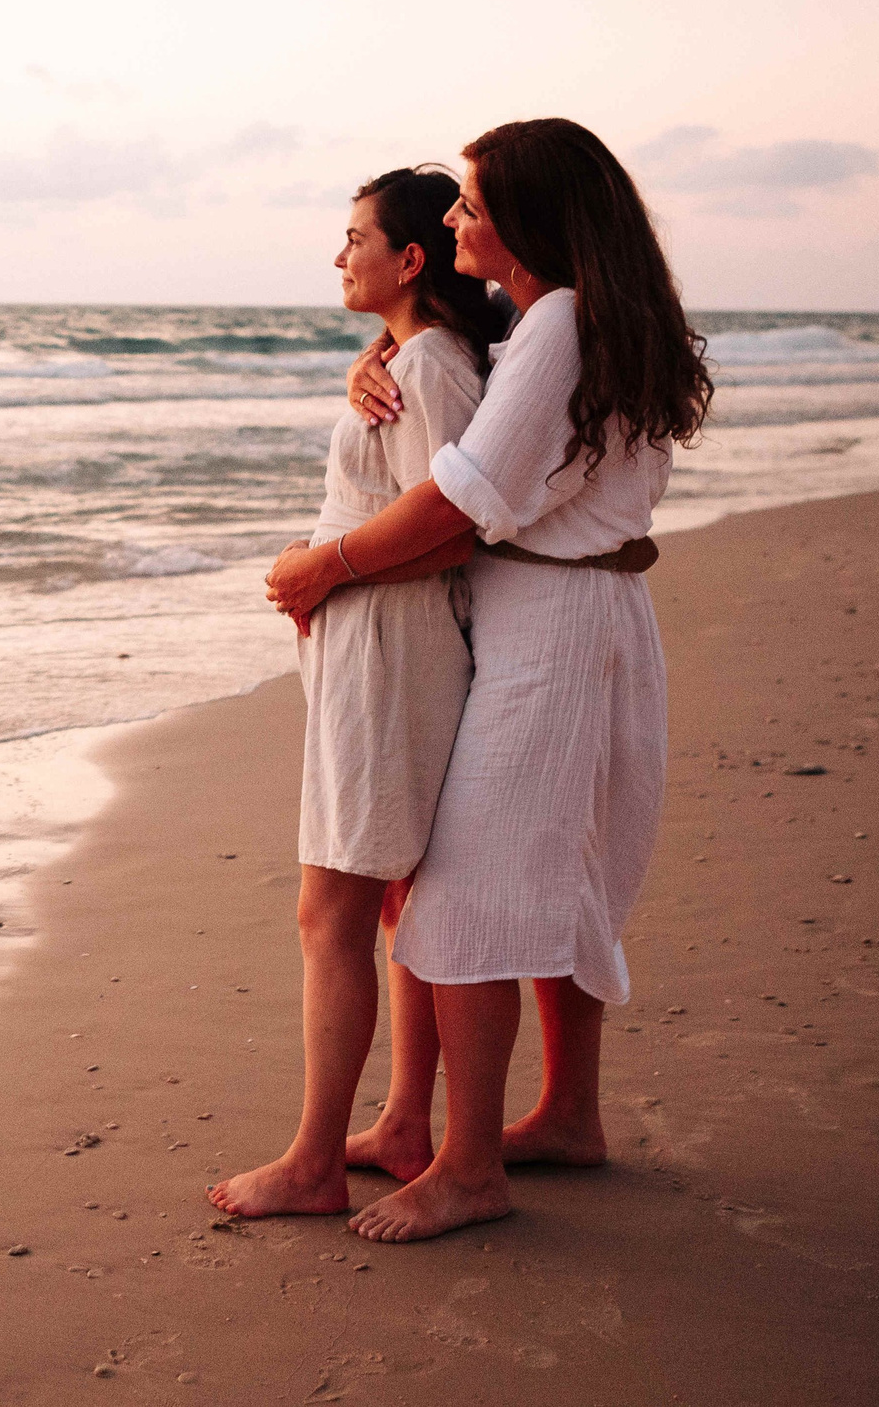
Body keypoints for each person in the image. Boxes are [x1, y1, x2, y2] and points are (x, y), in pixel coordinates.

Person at [265, 118, 713, 1243]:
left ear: (530, 216)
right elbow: (466, 392)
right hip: (591, 608)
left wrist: (325, 564)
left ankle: (468, 1167)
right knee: (559, 875)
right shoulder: (563, 316)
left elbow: (462, 494)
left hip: (548, 628)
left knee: (464, 895)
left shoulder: (556, 317)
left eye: (471, 204)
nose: (458, 217)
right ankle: (565, 1113)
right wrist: (382, 359)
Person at [206, 166, 506, 1220]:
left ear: (408, 258)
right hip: (373, 645)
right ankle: (399, 1122)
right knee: (385, 898)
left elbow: (454, 526)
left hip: (386, 650)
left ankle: (313, 1159)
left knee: (331, 905)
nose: (338, 257)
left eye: (353, 238)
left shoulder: (426, 368)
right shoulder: (414, 359)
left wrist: (320, 565)